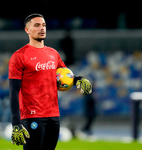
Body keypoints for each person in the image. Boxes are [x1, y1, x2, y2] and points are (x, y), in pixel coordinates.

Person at [9, 13, 92, 150]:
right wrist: (16, 123)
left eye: (44, 25)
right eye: (37, 25)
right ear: (27, 30)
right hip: (32, 116)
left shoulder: (53, 54)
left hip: (53, 116)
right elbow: (13, 92)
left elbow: (65, 75)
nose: (42, 28)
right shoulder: (19, 56)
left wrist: (78, 79)